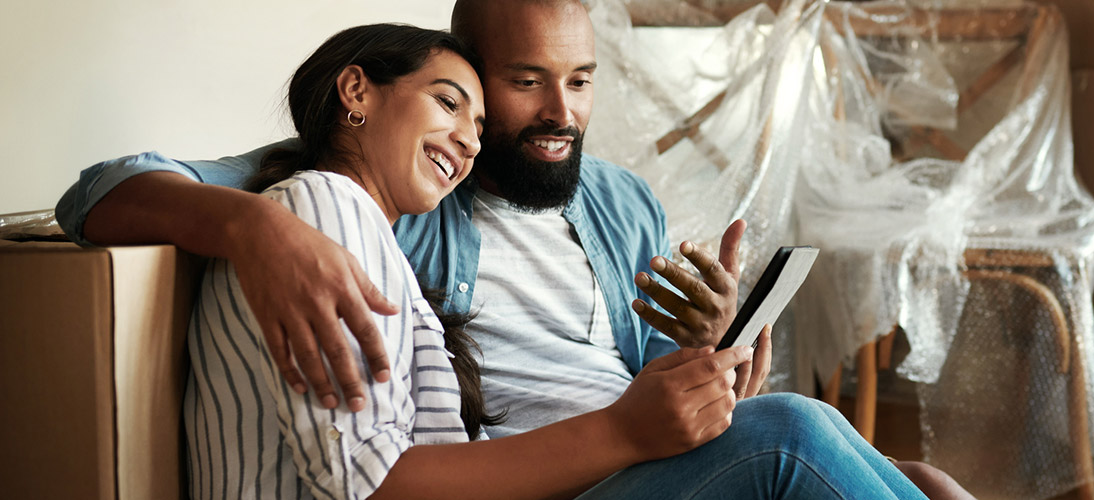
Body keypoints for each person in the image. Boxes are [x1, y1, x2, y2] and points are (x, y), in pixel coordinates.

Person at [57, 0, 970, 498]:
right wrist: (251, 224)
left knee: (917, 476)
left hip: (642, 457)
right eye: (524, 83)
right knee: (801, 439)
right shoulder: (370, 194)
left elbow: (655, 392)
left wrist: (717, 356)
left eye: (578, 82)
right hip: (551, 472)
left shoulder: (619, 203)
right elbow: (99, 191)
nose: (559, 114)